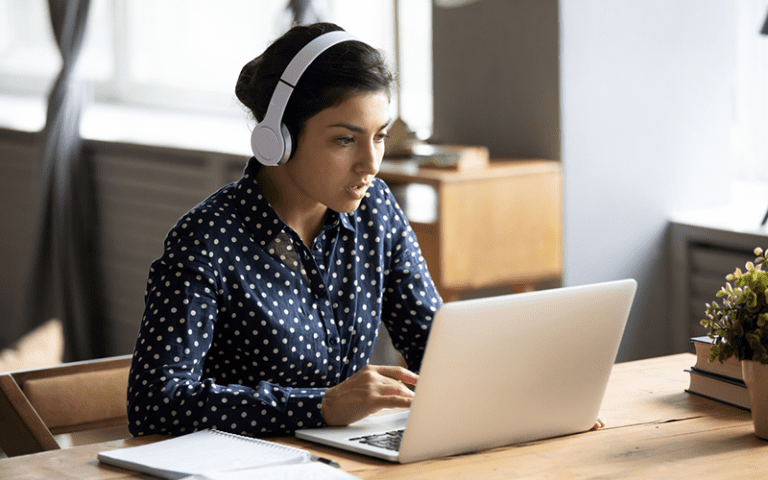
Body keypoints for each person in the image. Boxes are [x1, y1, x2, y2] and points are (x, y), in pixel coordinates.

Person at [126, 22, 442, 438]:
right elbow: (154, 402)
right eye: (346, 140)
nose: (371, 163)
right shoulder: (206, 240)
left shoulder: (376, 210)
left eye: (379, 137)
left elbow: (436, 345)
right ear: (279, 139)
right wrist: (322, 406)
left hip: (345, 459)